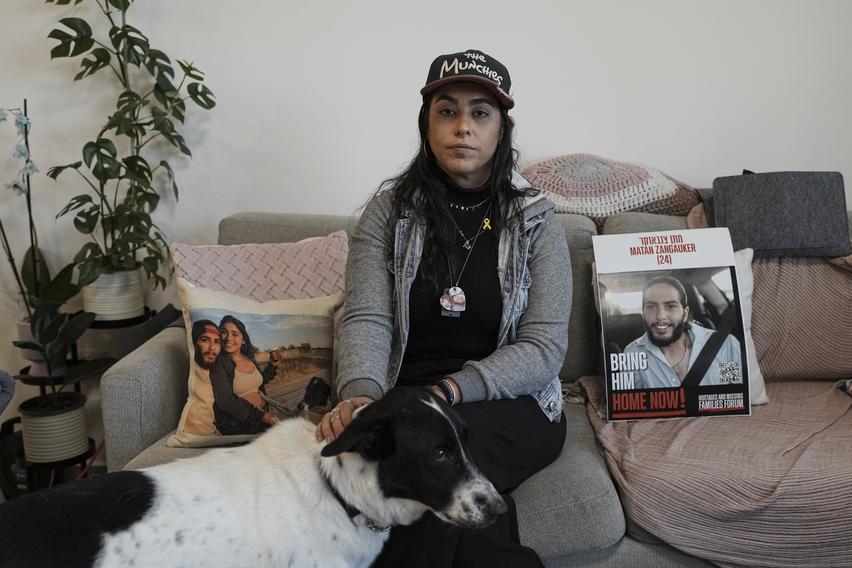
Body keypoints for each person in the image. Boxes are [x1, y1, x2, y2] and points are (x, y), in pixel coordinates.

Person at [316, 49, 571, 567]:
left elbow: (543, 349)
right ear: (426, 124)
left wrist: (448, 392)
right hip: (406, 396)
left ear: (502, 128)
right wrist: (362, 393)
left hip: (512, 401)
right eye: (447, 111)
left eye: (480, 113)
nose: (463, 127)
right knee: (461, 510)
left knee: (429, 481)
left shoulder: (537, 221)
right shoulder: (389, 212)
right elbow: (368, 316)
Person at [623, 276, 743, 389]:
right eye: (651, 307)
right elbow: (629, 402)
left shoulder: (725, 345)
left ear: (685, 314)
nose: (660, 316)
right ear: (643, 313)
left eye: (670, 306)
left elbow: (734, 393)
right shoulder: (632, 353)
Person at [210, 315, 278, 435]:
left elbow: (258, 382)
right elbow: (226, 401)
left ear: (243, 340)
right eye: (224, 332)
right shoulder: (218, 363)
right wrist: (262, 416)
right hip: (238, 426)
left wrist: (273, 366)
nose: (228, 338)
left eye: (235, 334)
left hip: (259, 420)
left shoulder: (248, 358)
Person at [179, 320, 223, 435]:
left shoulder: (216, 373)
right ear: (194, 345)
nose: (212, 347)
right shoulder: (198, 373)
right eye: (205, 340)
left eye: (217, 342)